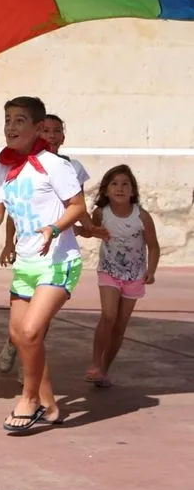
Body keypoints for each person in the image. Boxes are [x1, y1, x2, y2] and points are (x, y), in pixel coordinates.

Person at [0, 96, 86, 431]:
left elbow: (78, 206)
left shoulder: (55, 165)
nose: (11, 126)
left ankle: (30, 400)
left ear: (38, 128)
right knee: (21, 336)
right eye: (8, 119)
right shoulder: (2, 168)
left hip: (58, 260)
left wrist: (55, 227)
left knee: (30, 330)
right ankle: (50, 403)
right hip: (25, 262)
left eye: (19, 120)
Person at [86, 165, 159, 387]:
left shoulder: (142, 217)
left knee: (120, 325)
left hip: (134, 276)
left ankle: (104, 370)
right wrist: (83, 230)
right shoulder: (101, 213)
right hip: (109, 271)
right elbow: (91, 230)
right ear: (106, 190)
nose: (120, 188)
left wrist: (151, 271)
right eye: (114, 184)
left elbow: (153, 247)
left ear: (133, 191)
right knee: (108, 314)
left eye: (125, 184)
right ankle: (95, 363)